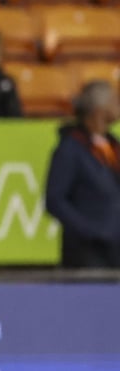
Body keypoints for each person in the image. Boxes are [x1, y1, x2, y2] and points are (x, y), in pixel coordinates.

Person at [45, 81, 120, 269]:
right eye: (114, 101)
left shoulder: (113, 146)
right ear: (99, 109)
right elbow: (54, 199)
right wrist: (89, 230)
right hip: (87, 252)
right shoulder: (70, 149)